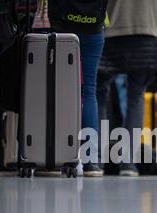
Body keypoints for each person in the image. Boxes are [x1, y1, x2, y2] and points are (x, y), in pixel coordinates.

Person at [97, 0, 157, 177]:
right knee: (136, 96)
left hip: (111, 31)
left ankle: (95, 160)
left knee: (99, 93)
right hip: (146, 30)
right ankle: (128, 163)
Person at [48, 0, 108, 177]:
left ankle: (56, 157)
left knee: (59, 88)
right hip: (94, 26)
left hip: (63, 26)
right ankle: (90, 161)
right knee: (89, 90)